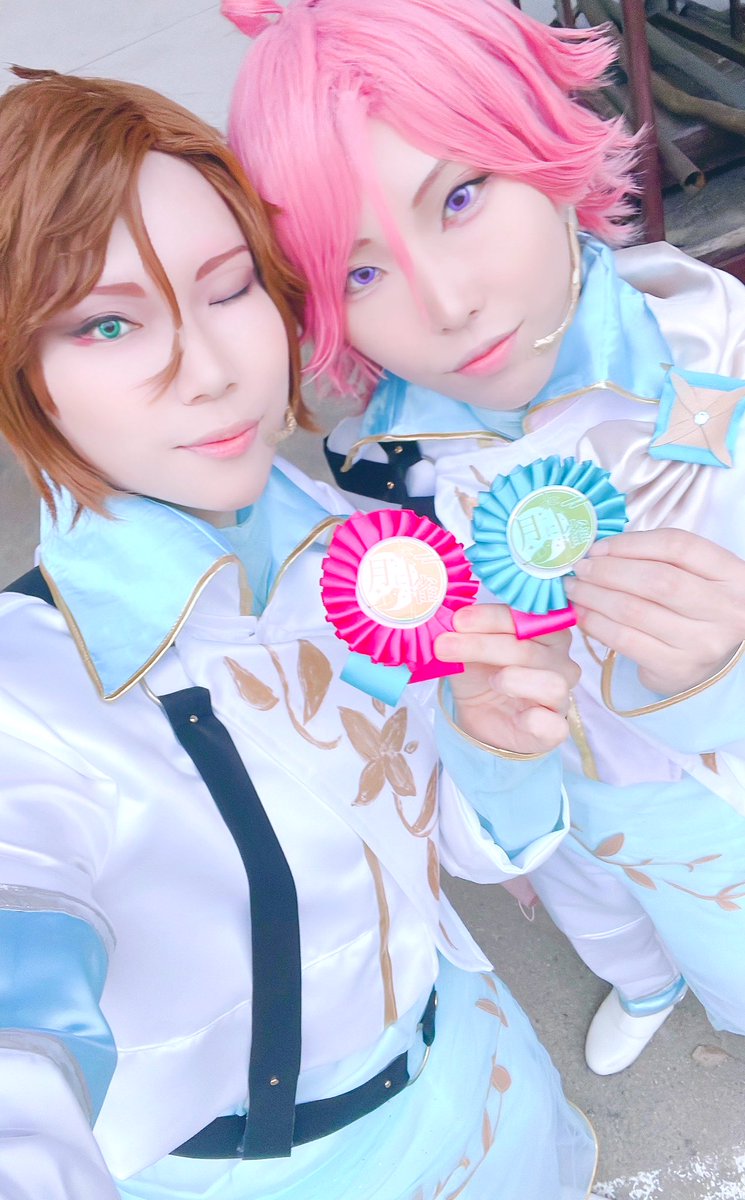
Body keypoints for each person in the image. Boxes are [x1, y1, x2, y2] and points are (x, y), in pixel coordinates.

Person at [0, 68, 596, 1200]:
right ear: (19, 370)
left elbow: (459, 854)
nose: (211, 370)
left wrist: (500, 747)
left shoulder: (371, 549)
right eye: (109, 323)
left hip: (478, 1075)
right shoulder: (29, 697)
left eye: (229, 290)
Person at [224, 0, 745, 1076]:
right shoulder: (382, 459)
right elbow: (417, 677)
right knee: (596, 910)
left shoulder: (720, 364)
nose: (446, 304)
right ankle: (640, 981)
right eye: (358, 273)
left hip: (707, 802)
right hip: (556, 805)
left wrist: (721, 669)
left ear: (539, 140)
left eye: (458, 197)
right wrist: (491, 772)